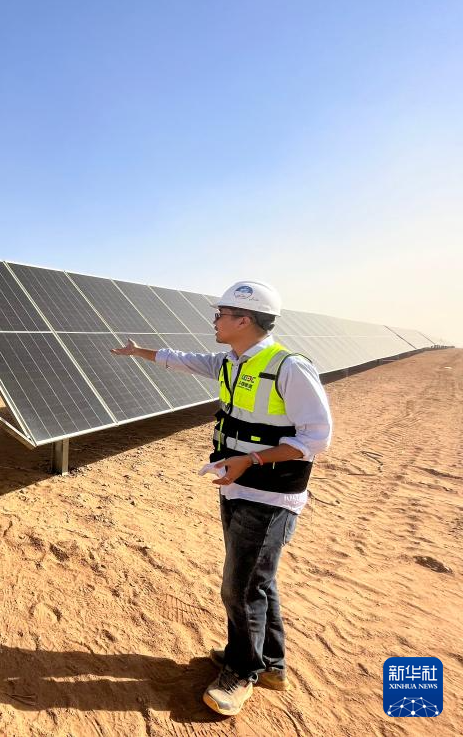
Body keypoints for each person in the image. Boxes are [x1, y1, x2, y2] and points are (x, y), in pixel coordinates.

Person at [111, 280, 332, 717]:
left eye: (221, 315)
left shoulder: (289, 367)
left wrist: (250, 460)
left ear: (244, 320)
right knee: (257, 580)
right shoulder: (232, 361)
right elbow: (184, 360)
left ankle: (242, 671)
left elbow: (316, 438)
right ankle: (271, 665)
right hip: (236, 486)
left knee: (240, 586)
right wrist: (140, 352)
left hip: (270, 495)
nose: (214, 321)